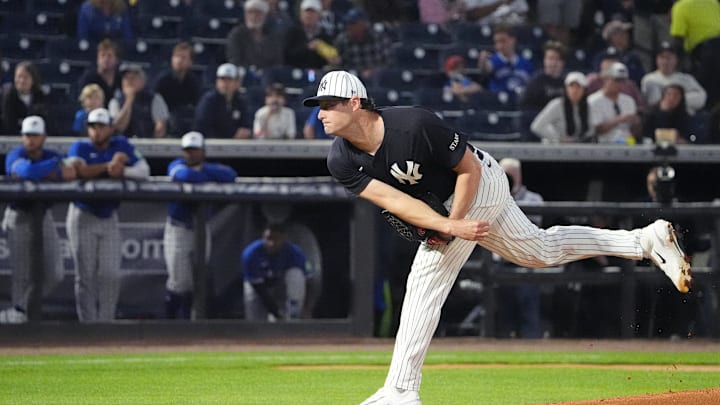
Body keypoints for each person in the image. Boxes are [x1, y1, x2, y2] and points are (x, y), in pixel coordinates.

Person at [302, 70, 691, 404]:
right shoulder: (340, 159)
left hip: (479, 183)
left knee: (425, 280)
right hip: (446, 206)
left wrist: (452, 224)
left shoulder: (413, 125)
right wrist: (443, 226)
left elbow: (468, 168)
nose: (320, 113)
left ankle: (401, 390)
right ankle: (643, 241)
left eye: (327, 104)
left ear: (355, 103)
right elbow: (393, 200)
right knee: (540, 250)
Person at [65, 107, 150, 322]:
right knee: (86, 276)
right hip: (82, 214)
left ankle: (106, 323)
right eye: (93, 127)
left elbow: (144, 171)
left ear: (110, 128)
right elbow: (79, 170)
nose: (97, 131)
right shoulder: (80, 147)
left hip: (108, 215)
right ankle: (89, 326)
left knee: (111, 274)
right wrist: (108, 167)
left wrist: (125, 172)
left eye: (101, 126)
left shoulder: (121, 145)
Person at [0, 116, 76, 324]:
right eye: (27, 135)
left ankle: (20, 308)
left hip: (43, 216)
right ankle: (19, 317)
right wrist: (52, 167)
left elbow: (70, 172)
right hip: (19, 216)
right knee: (22, 273)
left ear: (44, 137)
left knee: (55, 273)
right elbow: (26, 171)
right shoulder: (16, 154)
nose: (30, 140)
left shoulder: (53, 153)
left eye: (34, 135)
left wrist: (52, 169)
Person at [163, 131, 238, 319]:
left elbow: (230, 175)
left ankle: (192, 323)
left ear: (203, 151)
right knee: (179, 282)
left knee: (200, 279)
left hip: (200, 229)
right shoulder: (176, 165)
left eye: (195, 150)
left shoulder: (209, 168)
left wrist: (203, 171)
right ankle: (169, 325)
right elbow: (184, 175)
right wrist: (205, 175)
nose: (191, 154)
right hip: (178, 228)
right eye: (188, 150)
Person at [495, 157, 544, 338]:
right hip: (500, 262)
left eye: (511, 175)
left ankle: (533, 348)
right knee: (502, 310)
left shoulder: (533, 199)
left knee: (528, 306)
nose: (508, 178)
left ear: (519, 176)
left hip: (526, 261)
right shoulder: (493, 197)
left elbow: (533, 227)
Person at [241, 222, 309, 321]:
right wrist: (276, 312)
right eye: (268, 238)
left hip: (280, 284)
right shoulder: (251, 254)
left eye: (276, 239)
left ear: (284, 239)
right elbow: (260, 290)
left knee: (296, 274)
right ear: (263, 238)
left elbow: (311, 282)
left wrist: (307, 308)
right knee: (255, 321)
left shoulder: (295, 253)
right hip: (259, 287)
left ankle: (293, 318)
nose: (271, 243)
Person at [670, 0, 720, 108]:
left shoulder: (681, 6)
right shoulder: (713, 2)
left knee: (703, 93)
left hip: (705, 53)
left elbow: (678, 39)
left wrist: (676, 67)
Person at [640, 41, 706, 114]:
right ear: (657, 59)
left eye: (669, 57)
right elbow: (651, 102)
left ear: (676, 59)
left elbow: (701, 98)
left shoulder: (686, 78)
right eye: (662, 57)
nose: (665, 61)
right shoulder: (649, 79)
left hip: (684, 120)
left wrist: (677, 100)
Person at [108, 63, 169, 139]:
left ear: (142, 81)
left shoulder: (154, 99)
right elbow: (118, 127)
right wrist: (129, 100)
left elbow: (160, 127)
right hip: (121, 145)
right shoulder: (115, 101)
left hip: (148, 144)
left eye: (133, 78)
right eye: (126, 78)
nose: (129, 81)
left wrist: (152, 145)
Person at [153, 42, 202, 137]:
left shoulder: (193, 81)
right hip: (165, 119)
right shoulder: (163, 80)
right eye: (176, 56)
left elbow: (197, 104)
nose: (179, 60)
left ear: (190, 62)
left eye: (183, 57)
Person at [530, 71, 593, 143]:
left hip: (577, 149)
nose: (575, 90)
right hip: (554, 149)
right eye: (571, 86)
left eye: (578, 87)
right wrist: (558, 139)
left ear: (584, 90)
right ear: (566, 88)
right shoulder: (557, 105)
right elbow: (537, 126)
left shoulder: (588, 106)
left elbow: (590, 130)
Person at [193, 63, 252, 139]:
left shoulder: (240, 101)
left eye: (229, 80)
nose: (225, 84)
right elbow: (201, 127)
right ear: (217, 81)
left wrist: (245, 132)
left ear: (237, 83)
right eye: (222, 79)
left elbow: (246, 124)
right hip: (212, 144)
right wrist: (230, 135)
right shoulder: (209, 100)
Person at [333, 7, 393, 80]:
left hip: (379, 80)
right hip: (351, 80)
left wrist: (374, 71)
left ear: (363, 24)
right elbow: (339, 62)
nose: (349, 27)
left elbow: (389, 63)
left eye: (353, 23)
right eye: (348, 23)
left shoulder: (379, 38)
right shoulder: (342, 40)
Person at [587, 62, 639, 144]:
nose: (620, 84)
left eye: (623, 81)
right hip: (603, 146)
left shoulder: (629, 100)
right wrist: (620, 119)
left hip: (627, 144)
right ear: (606, 79)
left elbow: (634, 131)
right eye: (617, 80)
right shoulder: (593, 101)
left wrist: (636, 122)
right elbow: (596, 130)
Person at [225, 0, 284, 70]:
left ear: (265, 15)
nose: (254, 16)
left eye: (258, 13)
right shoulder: (237, 34)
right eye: (250, 12)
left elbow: (278, 62)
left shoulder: (273, 37)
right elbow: (235, 61)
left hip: (268, 77)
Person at [477, 25, 534, 95]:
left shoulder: (526, 63)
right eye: (496, 42)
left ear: (512, 40)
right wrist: (482, 61)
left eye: (503, 41)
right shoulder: (493, 60)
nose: (499, 46)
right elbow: (485, 69)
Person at [284, 0, 340, 70]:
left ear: (319, 15)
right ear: (301, 13)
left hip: (318, 73)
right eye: (307, 12)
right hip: (295, 72)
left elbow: (330, 58)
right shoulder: (292, 32)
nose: (309, 15)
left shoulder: (324, 35)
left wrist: (332, 59)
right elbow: (287, 56)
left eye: (313, 13)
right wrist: (307, 47)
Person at [592, 19, 646, 86]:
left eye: (626, 33)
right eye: (622, 33)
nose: (626, 36)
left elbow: (641, 78)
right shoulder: (602, 57)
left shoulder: (633, 57)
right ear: (612, 37)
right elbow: (599, 77)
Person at [1, 61, 48, 135]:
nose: (21, 81)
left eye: (25, 77)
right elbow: (7, 121)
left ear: (33, 80)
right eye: (19, 77)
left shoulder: (40, 96)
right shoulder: (6, 96)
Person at [521, 41, 567, 112]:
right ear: (544, 60)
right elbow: (526, 107)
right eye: (550, 58)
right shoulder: (535, 82)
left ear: (562, 62)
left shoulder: (567, 82)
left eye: (557, 59)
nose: (553, 63)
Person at [78, 39, 121, 108]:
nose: (106, 59)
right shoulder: (89, 79)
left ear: (116, 60)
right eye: (102, 55)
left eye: (109, 56)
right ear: (97, 59)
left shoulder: (121, 79)